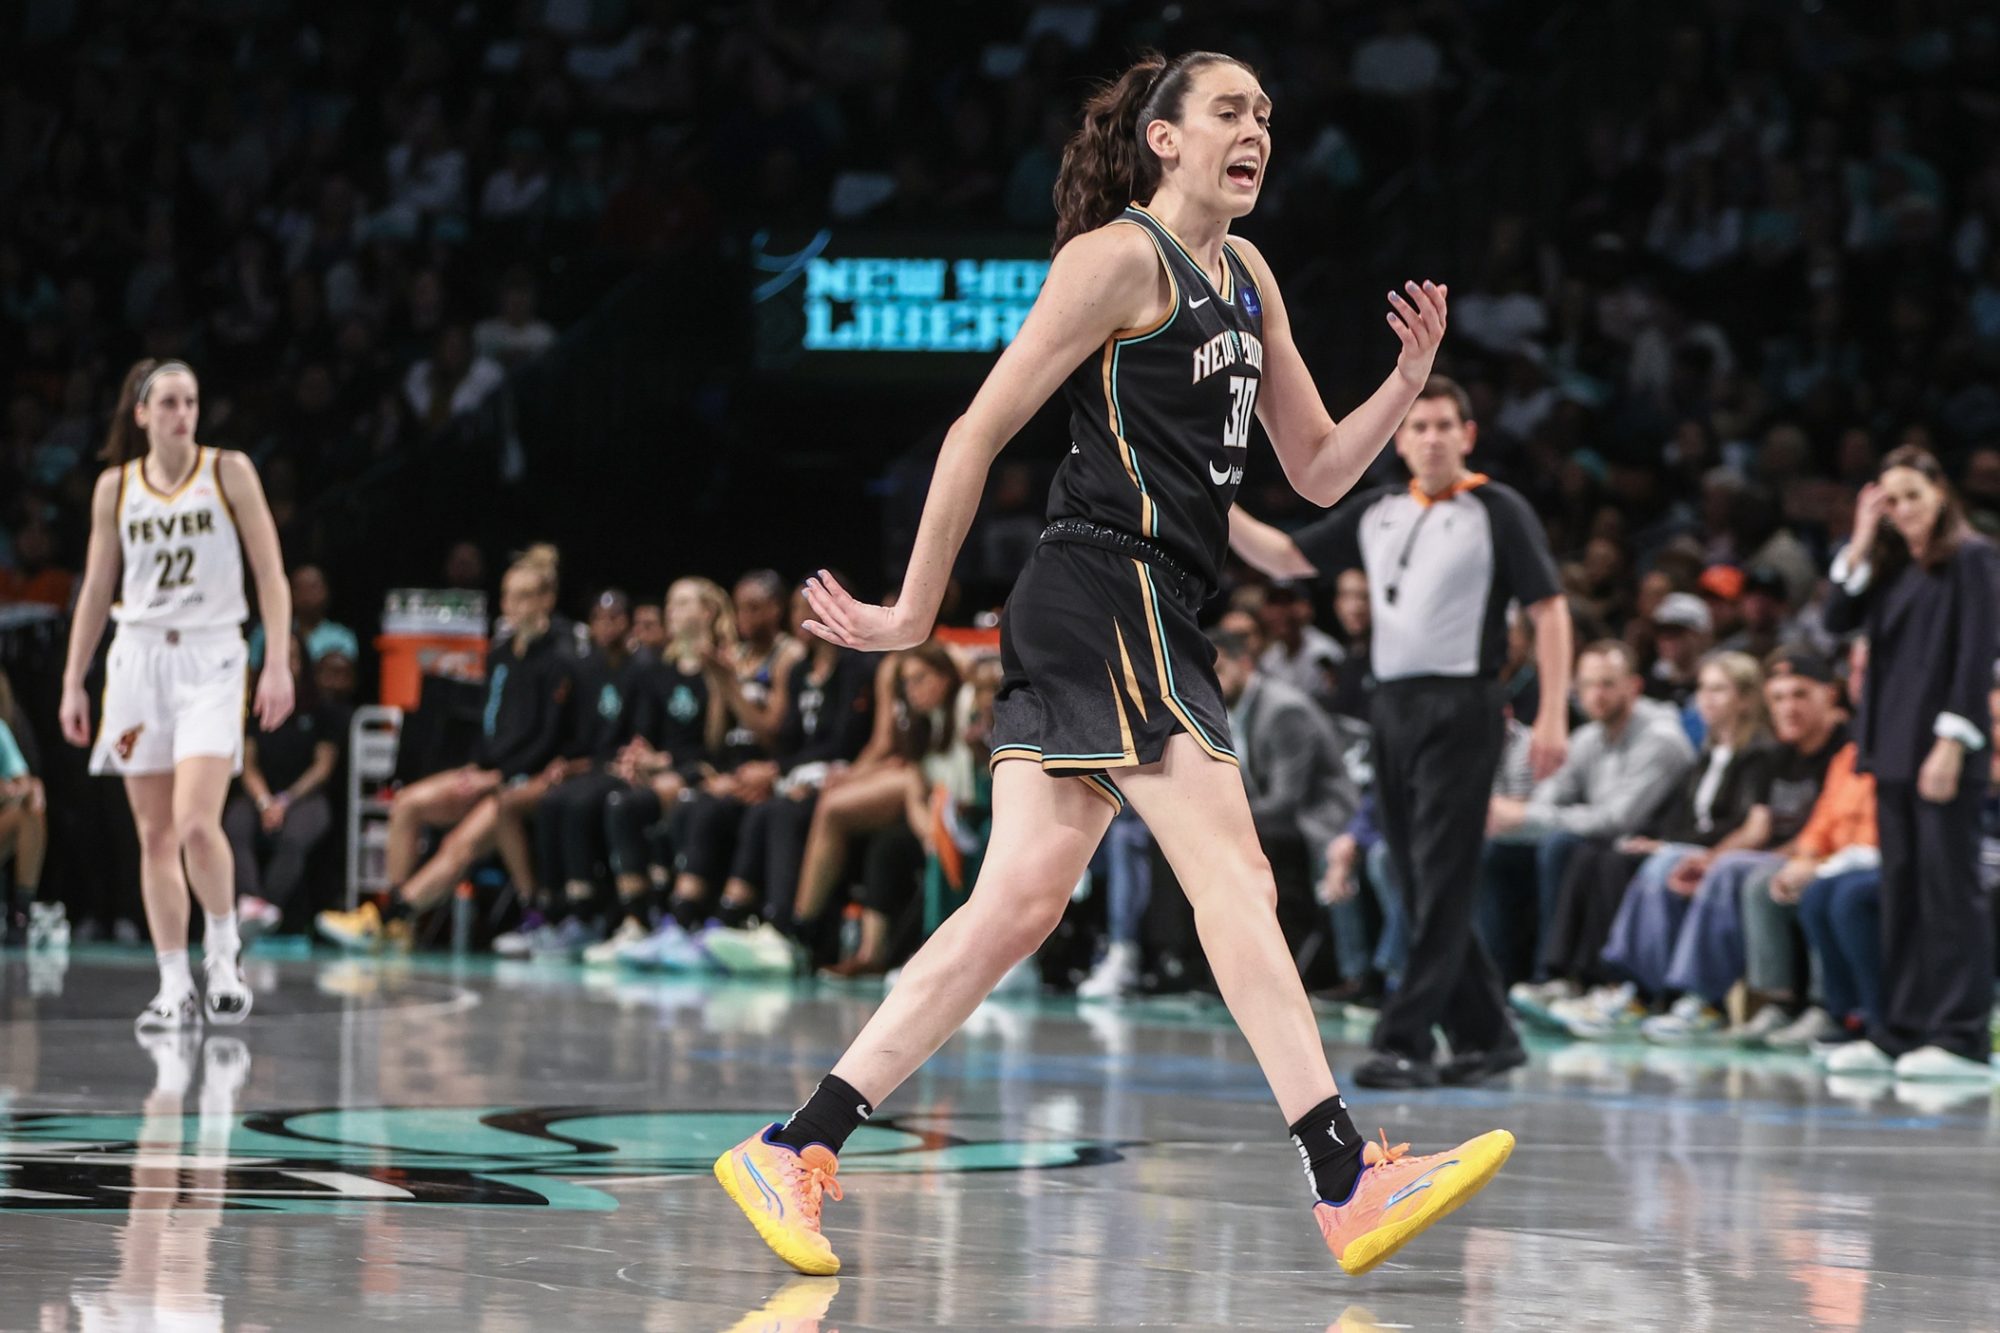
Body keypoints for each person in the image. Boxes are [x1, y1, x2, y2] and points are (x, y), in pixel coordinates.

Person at [712, 50, 1510, 1281]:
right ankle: (1343, 1169)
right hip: (1103, 584)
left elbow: (1309, 472)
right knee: (1233, 870)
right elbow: (976, 429)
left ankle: (796, 1140)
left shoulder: (1247, 275)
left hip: (1149, 603)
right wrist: (913, 612)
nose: (1255, 131)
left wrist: (1405, 385)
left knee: (1017, 903)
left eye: (1265, 115)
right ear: (1163, 137)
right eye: (1230, 111)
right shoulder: (1118, 259)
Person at [1231, 375, 1574, 1089]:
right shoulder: (1378, 510)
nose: (1433, 437)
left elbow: (1549, 609)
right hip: (1392, 707)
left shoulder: (1496, 509)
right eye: (1418, 426)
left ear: (1468, 435)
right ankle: (1488, 1032)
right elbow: (1286, 556)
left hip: (1463, 706)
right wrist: (1209, 500)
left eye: (1447, 424)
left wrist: (1551, 713)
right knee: (1413, 875)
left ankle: (1406, 1038)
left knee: (1443, 876)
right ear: (1400, 438)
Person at [56, 358, 294, 1028]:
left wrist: (276, 661)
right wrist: (76, 677)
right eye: (167, 402)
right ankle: (171, 983)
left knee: (195, 821)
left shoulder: (229, 471)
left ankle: (222, 951)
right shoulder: (116, 487)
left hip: (213, 656)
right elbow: (98, 590)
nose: (181, 413)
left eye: (190, 401)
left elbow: (270, 574)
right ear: (141, 413)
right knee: (155, 834)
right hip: (137, 664)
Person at [1823, 445, 1999, 1079]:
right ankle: (1897, 1028)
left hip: (1942, 749)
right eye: (1891, 501)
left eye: (1913, 498)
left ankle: (1960, 1036)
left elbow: (1977, 654)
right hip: (1892, 748)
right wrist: (1863, 535)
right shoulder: (1892, 568)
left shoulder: (1973, 558)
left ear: (1942, 495)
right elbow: (1836, 617)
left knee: (1949, 894)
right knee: (1902, 894)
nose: (1904, 512)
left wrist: (1953, 742)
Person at [314, 548, 575, 948]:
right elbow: (491, 723)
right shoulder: (501, 653)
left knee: (460, 845)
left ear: (546, 600)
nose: (511, 606)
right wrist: (475, 768)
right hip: (487, 771)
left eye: (523, 596)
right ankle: (400, 922)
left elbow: (549, 735)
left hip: (524, 782)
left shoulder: (560, 655)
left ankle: (386, 919)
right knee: (408, 803)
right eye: (507, 596)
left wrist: (496, 777)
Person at [222, 630, 348, 936]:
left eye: (291, 657)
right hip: (259, 794)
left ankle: (266, 908)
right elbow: (247, 763)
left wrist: (285, 800)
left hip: (304, 796)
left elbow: (323, 767)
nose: (285, 664)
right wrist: (265, 801)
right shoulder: (252, 708)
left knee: (294, 835)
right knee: (235, 824)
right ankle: (250, 902)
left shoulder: (319, 709)